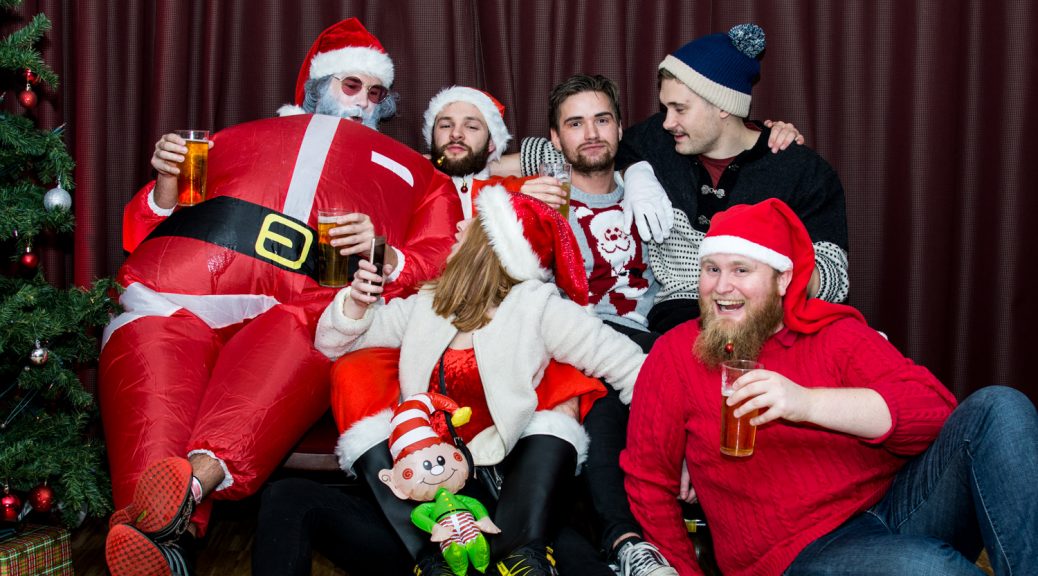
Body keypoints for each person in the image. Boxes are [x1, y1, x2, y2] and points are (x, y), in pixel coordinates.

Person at [101, 18, 462, 575]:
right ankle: (166, 540)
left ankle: (190, 490)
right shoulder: (232, 142)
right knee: (146, 345)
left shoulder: (417, 175)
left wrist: (384, 252)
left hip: (307, 313)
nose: (364, 101)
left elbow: (442, 257)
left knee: (308, 333)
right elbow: (145, 230)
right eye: (351, 85)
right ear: (317, 86)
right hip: (185, 297)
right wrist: (168, 182)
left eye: (376, 93)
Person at [621, 198, 1038, 575]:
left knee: (1000, 408)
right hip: (794, 553)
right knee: (927, 566)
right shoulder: (676, 354)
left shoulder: (831, 332)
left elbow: (934, 414)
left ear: (783, 280)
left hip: (897, 506)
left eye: (741, 270)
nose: (721, 286)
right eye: (712, 269)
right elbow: (647, 483)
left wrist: (806, 403)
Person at [311, 185, 644, 576]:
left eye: (473, 221)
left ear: (495, 244)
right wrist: (356, 304)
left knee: (558, 561)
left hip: (508, 480)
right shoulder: (429, 302)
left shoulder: (539, 308)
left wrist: (675, 448)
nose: (458, 227)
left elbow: (630, 366)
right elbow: (334, 344)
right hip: (436, 479)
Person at [617, 23, 850, 333]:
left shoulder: (800, 170)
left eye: (680, 109)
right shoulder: (657, 140)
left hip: (767, 317)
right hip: (680, 313)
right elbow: (599, 148)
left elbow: (834, 274)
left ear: (723, 106)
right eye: (666, 108)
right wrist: (634, 172)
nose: (668, 122)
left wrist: (766, 278)